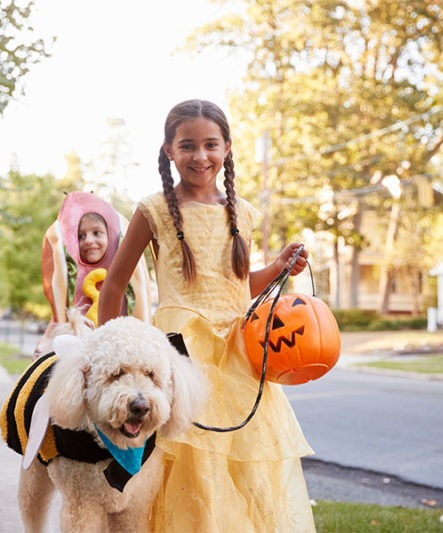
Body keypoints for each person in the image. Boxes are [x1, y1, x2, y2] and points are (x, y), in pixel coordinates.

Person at [98, 99, 315, 532]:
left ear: (228, 148)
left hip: (238, 358)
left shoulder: (244, 213)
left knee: (250, 470)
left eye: (211, 145)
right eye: (188, 145)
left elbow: (236, 286)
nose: (201, 156)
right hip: (181, 357)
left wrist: (278, 268)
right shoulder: (153, 209)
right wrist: (107, 351)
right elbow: (114, 284)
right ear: (169, 151)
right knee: (185, 467)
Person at [34, 191, 152, 356]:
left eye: (97, 233)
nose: (88, 240)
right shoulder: (70, 280)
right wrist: (44, 341)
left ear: (111, 237)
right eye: (81, 236)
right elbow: (58, 319)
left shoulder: (127, 277)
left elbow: (144, 319)